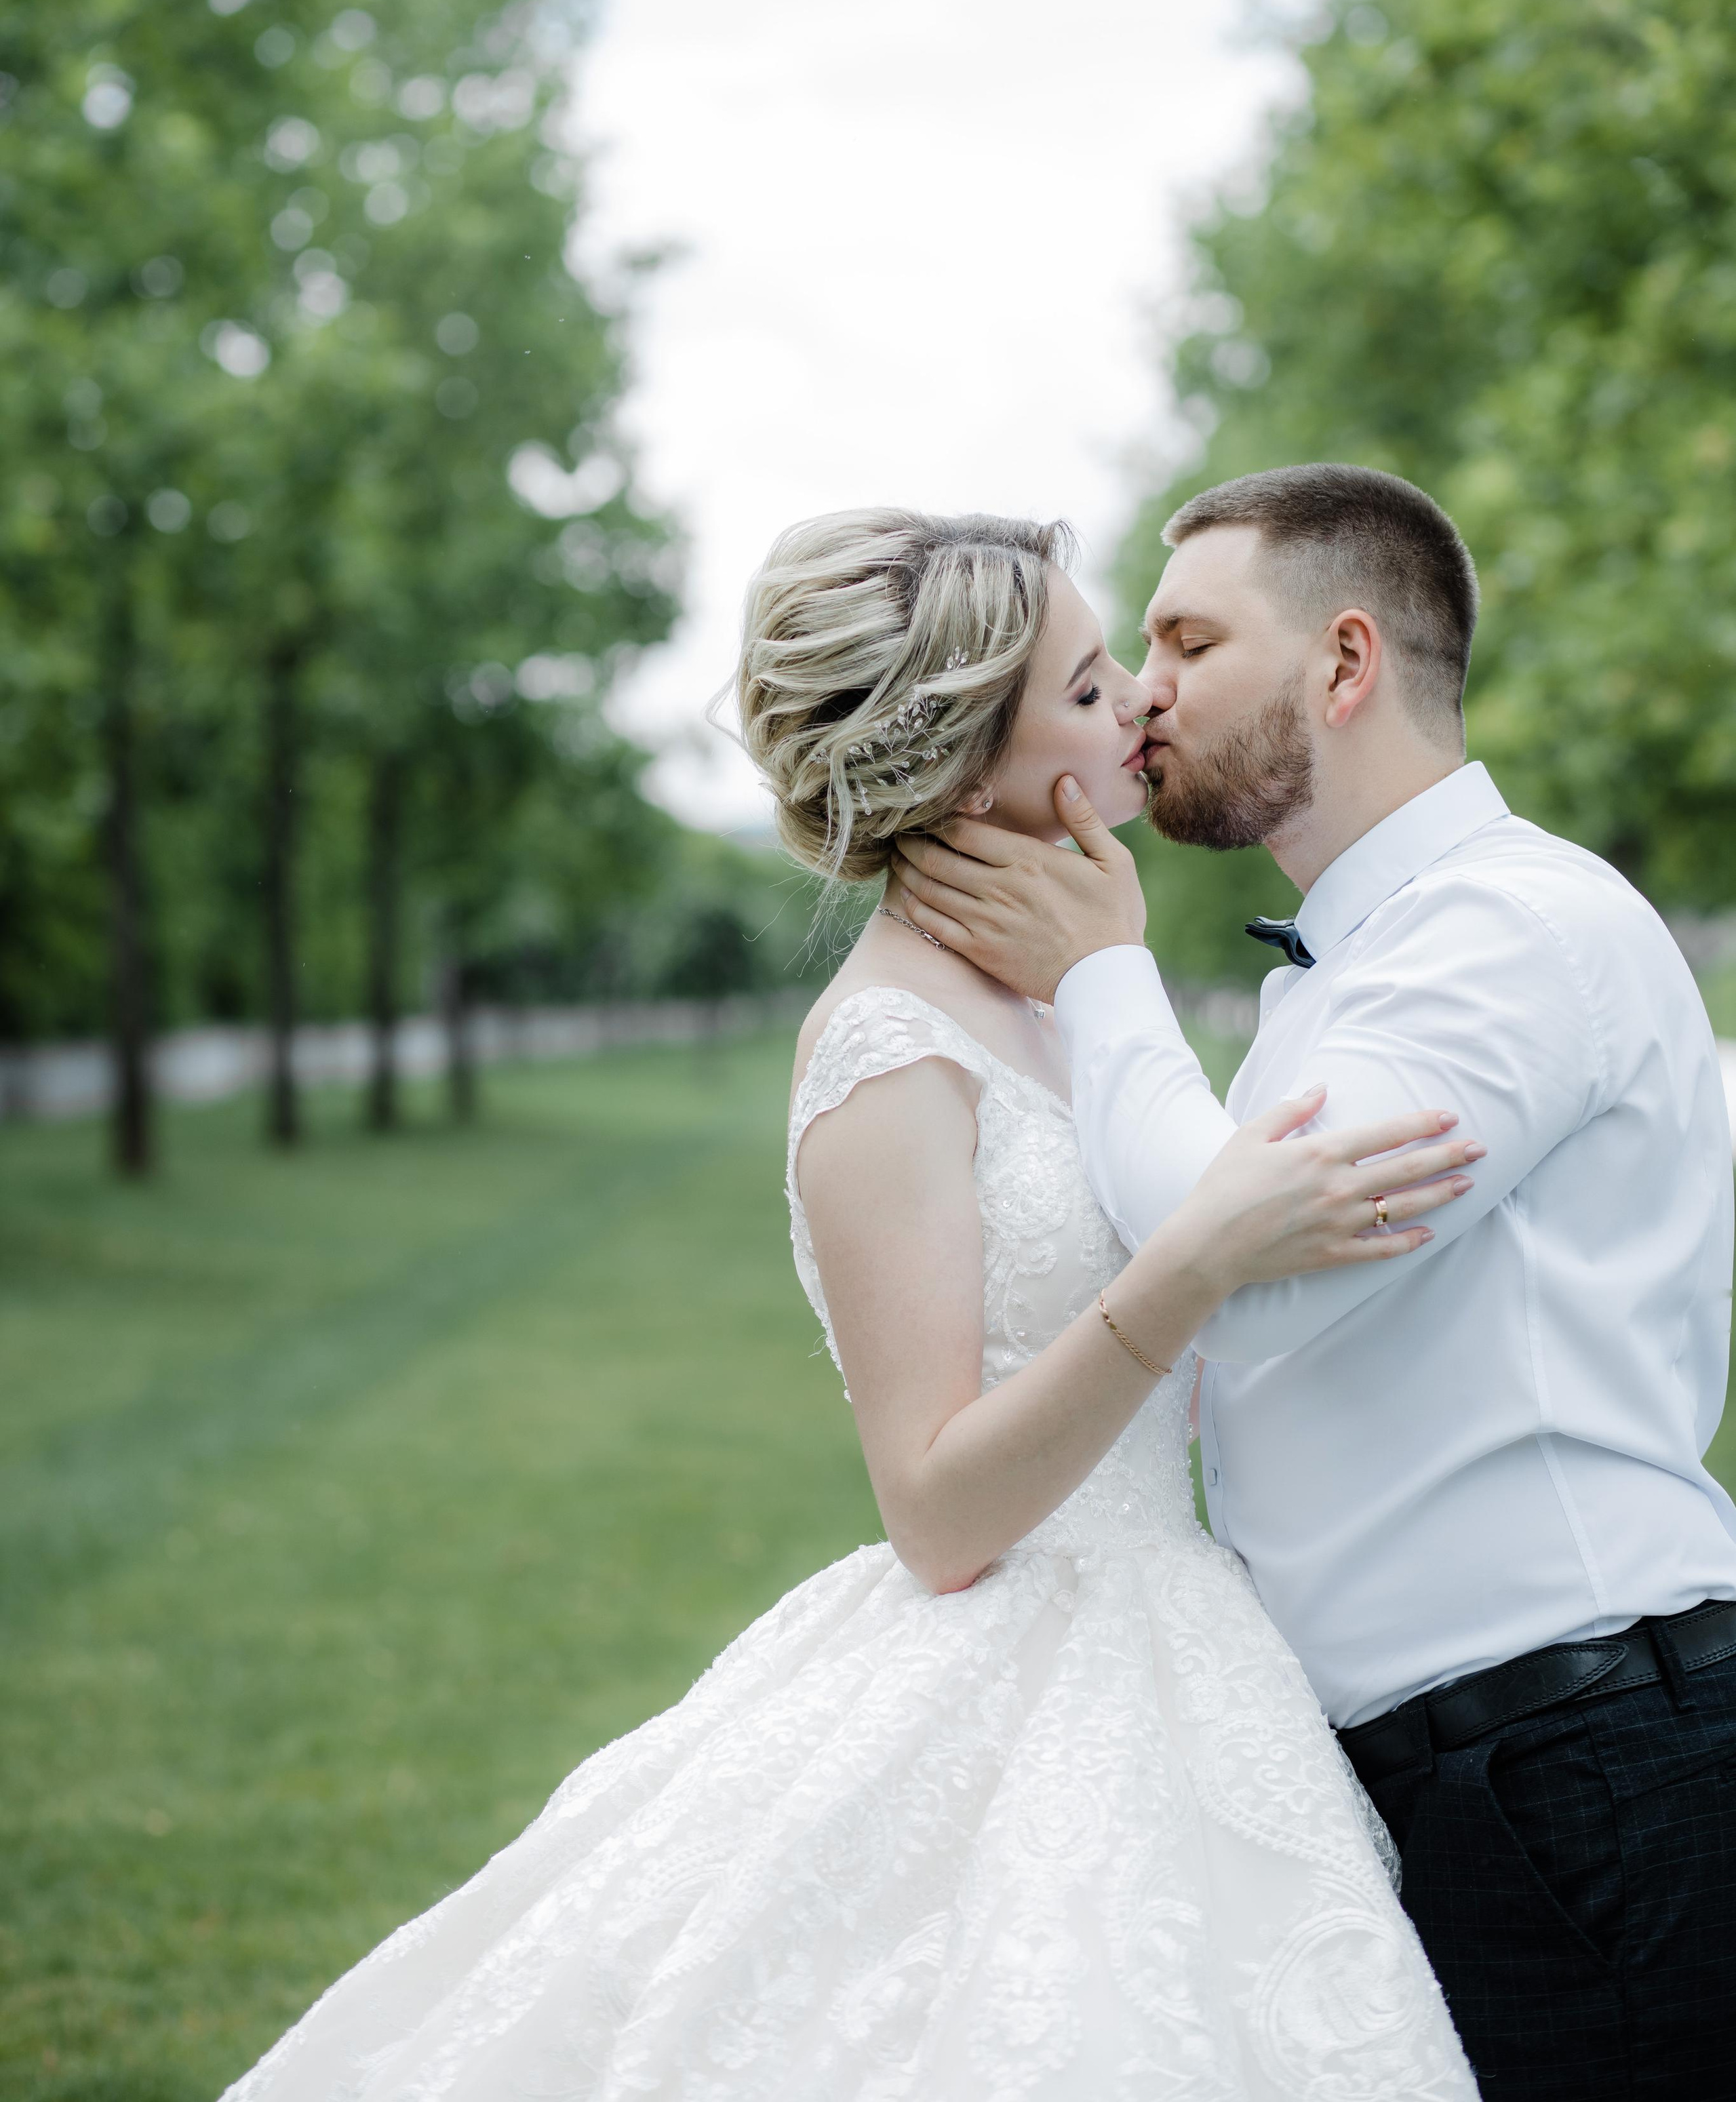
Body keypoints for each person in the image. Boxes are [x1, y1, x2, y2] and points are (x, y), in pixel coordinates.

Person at [219, 507, 1480, 2102]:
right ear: (966, 771)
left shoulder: (1060, 997)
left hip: (1187, 1634)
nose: (1141, 707)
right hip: (1018, 1661)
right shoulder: (887, 1049)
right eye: (1090, 690)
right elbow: (937, 1508)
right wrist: (1189, 1271)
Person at [893, 464, 1736, 2101]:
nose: (1138, 693)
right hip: (1464, 1766)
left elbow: (1250, 1282)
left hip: (1576, 1756)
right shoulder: (1358, 966)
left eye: (1186, 642)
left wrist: (1098, 978)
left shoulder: (1507, 935)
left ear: (1341, 665)